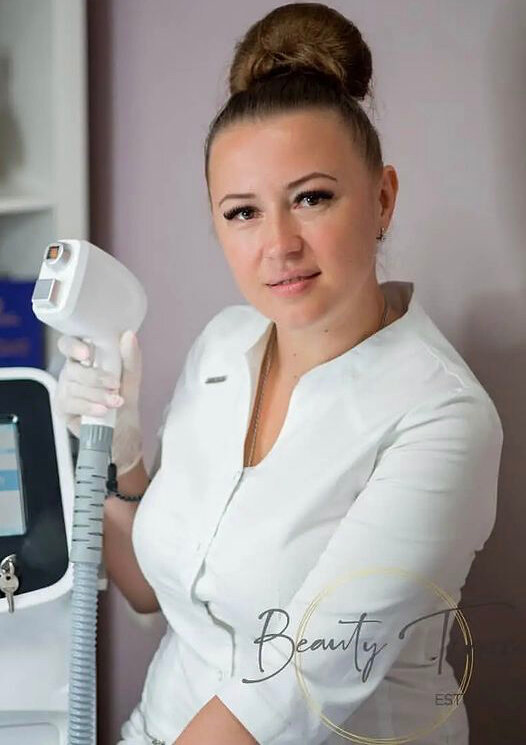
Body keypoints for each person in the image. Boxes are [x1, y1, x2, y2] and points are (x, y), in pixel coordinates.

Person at [55, 3, 503, 744]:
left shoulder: (441, 417)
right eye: (243, 212)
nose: (279, 244)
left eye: (311, 198)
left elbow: (293, 690)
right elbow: (152, 590)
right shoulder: (222, 347)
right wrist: (119, 458)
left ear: (382, 199)